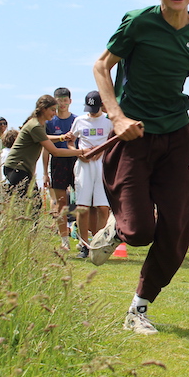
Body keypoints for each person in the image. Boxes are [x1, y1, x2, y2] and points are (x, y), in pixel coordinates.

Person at [88, 0, 189, 337]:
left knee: (177, 229)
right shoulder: (139, 22)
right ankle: (119, 226)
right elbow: (101, 66)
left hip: (177, 135)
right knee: (141, 231)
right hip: (133, 133)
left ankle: (138, 308)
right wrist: (116, 116)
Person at [2, 95, 84, 197]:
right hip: (16, 168)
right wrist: (81, 152)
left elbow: (44, 137)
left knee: (34, 204)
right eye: (52, 110)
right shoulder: (35, 126)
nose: (55, 113)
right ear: (43, 109)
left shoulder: (40, 124)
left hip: (23, 169)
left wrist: (62, 137)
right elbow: (55, 152)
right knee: (30, 204)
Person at [69, 91, 113, 259]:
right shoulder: (79, 121)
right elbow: (70, 141)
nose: (92, 111)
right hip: (84, 165)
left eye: (95, 108)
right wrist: (78, 153)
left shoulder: (108, 121)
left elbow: (115, 141)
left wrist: (102, 152)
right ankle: (84, 244)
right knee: (82, 207)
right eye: (90, 108)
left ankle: (98, 243)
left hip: (102, 164)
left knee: (102, 207)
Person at [42, 87, 77, 250]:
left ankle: (83, 236)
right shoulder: (50, 122)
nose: (62, 104)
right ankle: (64, 239)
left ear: (70, 101)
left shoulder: (77, 120)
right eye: (59, 100)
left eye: (65, 100)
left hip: (76, 161)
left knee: (81, 201)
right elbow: (45, 147)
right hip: (58, 162)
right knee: (60, 202)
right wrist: (44, 173)